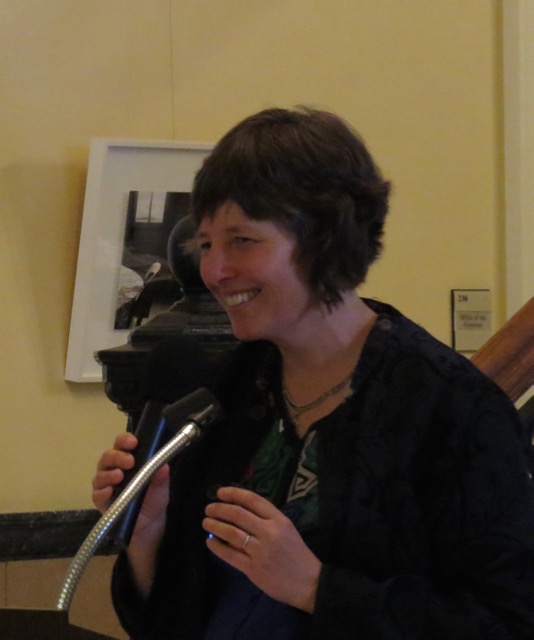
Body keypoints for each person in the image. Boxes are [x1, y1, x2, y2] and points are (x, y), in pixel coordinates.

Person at [92, 107, 534, 639]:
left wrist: (315, 587)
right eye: (206, 244)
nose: (214, 270)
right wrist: (148, 532)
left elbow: (507, 623)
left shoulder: (452, 407)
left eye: (242, 240)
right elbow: (171, 620)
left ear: (326, 239)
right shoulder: (228, 389)